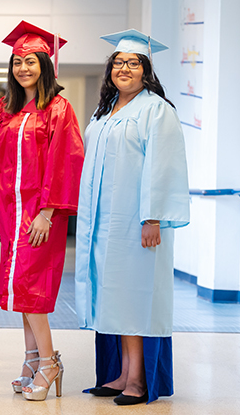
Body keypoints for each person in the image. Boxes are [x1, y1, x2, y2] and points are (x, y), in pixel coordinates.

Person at [75, 29, 190, 406]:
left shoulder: (156, 109)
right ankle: (121, 373)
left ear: (146, 70)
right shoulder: (105, 112)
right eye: (119, 63)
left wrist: (154, 217)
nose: (124, 68)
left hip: (136, 223)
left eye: (133, 63)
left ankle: (138, 380)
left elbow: (164, 166)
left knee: (136, 300)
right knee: (115, 299)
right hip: (104, 224)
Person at [0, 21, 85, 402]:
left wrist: (49, 211)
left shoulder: (58, 108)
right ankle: (31, 360)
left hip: (41, 215)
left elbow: (67, 160)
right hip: (10, 213)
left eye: (30, 61)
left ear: (45, 64)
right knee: (21, 291)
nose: (23, 68)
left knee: (33, 290)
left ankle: (49, 361)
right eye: (17, 61)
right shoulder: (4, 108)